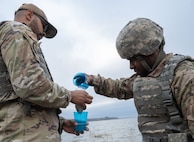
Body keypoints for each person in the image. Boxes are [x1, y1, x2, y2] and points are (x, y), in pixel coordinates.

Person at [83, 18, 194, 141]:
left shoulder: (184, 76)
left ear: (150, 51)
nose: (131, 66)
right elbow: (120, 88)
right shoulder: (146, 76)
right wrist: (92, 79)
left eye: (134, 59)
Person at [0, 3, 93, 142]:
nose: (44, 33)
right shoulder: (17, 30)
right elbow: (29, 85)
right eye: (44, 26)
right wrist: (70, 95)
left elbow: (20, 98)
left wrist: (60, 124)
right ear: (29, 15)